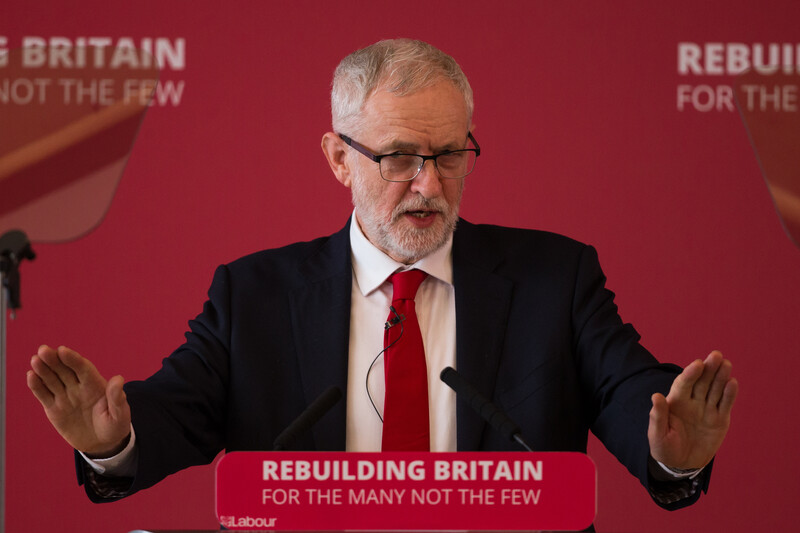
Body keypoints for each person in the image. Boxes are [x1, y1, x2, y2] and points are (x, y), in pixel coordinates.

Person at [27, 39, 737, 511]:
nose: (429, 185)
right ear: (339, 159)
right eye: (399, 156)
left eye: (451, 155)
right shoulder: (255, 296)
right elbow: (172, 414)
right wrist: (109, 440)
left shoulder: (556, 278)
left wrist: (671, 452)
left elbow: (630, 392)